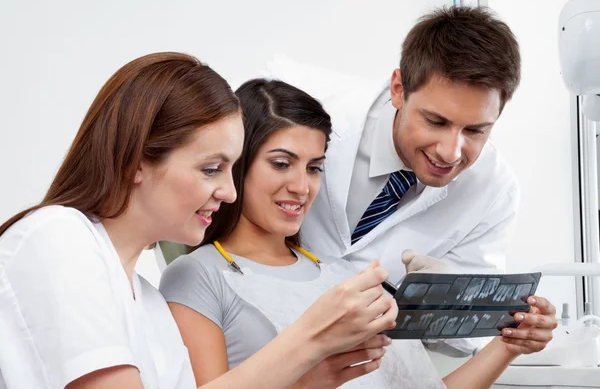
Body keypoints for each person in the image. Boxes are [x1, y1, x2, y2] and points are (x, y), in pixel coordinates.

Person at [0, 52, 398, 389]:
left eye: (231, 169)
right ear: (137, 161)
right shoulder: (58, 236)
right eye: (211, 169)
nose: (230, 192)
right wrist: (310, 339)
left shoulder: (151, 304)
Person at [159, 78, 557, 389]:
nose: (302, 186)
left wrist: (508, 343)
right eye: (282, 164)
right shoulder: (199, 276)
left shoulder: (344, 279)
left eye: (314, 167)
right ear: (238, 164)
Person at [262, 5, 525, 356]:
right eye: (436, 121)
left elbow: (471, 339)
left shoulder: (494, 191)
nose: (450, 152)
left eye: (476, 130)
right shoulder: (307, 103)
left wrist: (437, 300)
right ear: (398, 89)